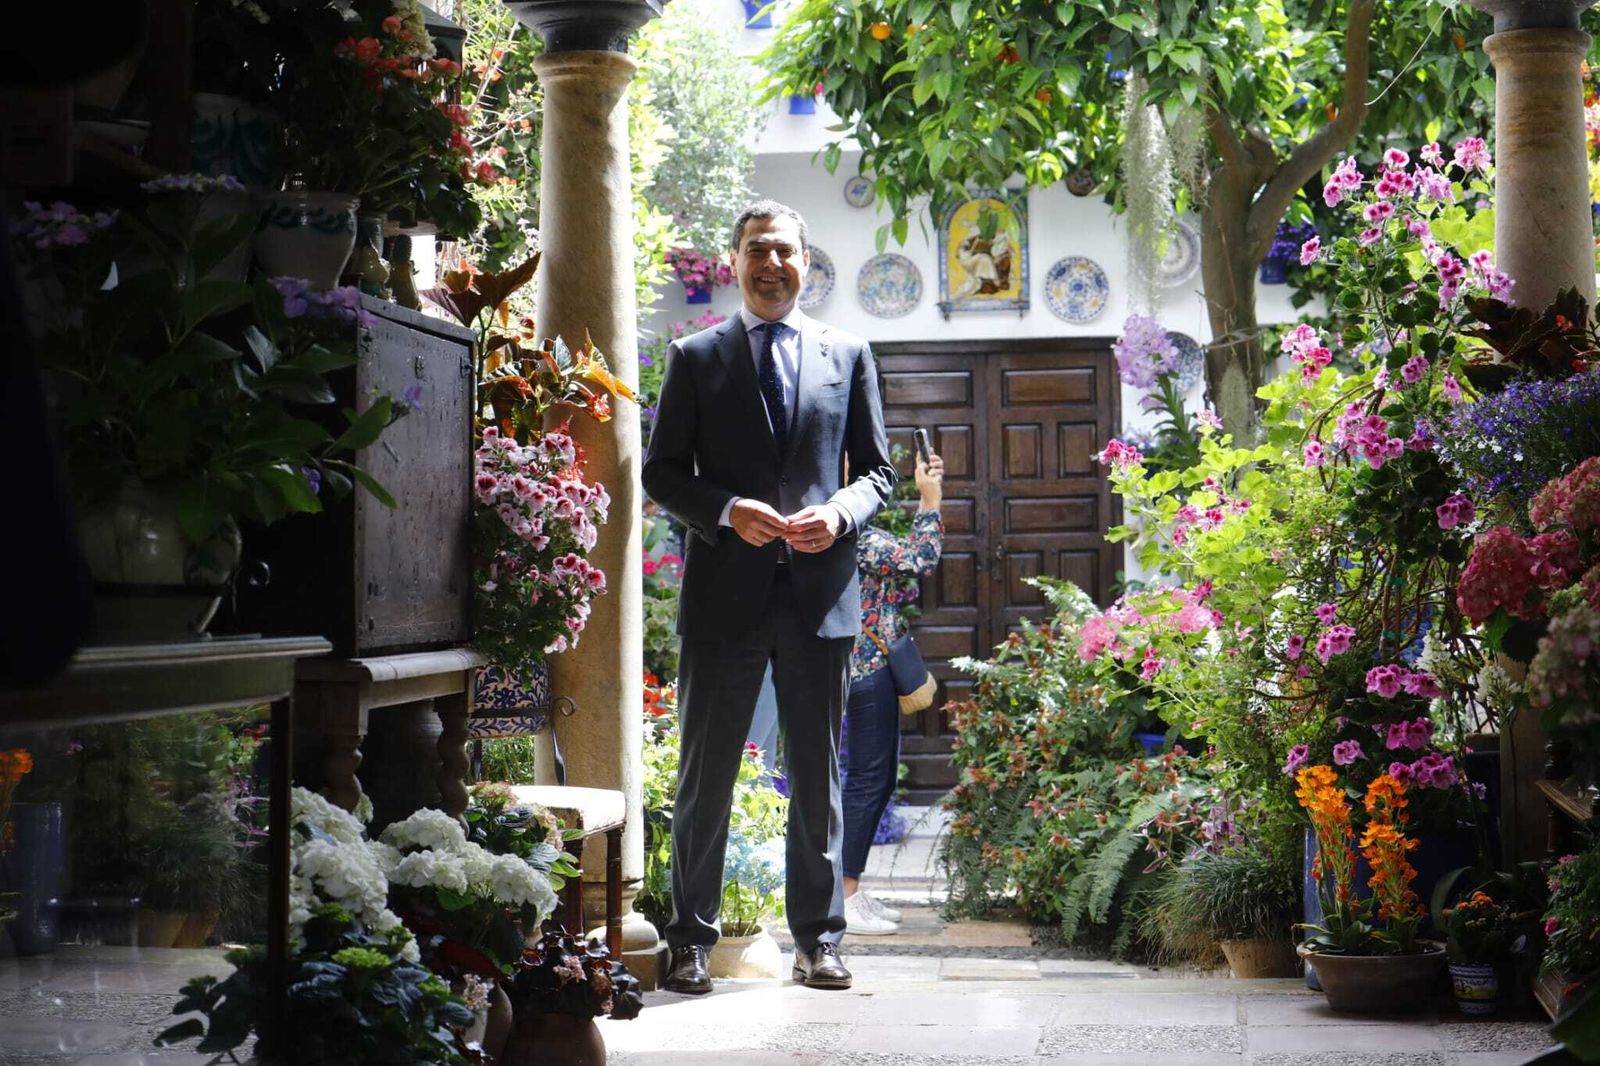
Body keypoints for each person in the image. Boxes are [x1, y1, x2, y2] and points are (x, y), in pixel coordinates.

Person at [641, 200, 896, 994]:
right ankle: (689, 942)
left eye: (785, 250)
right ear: (735, 258)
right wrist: (724, 510)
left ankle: (819, 941)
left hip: (819, 596)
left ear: (806, 259)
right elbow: (661, 474)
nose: (772, 264)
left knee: (818, 778)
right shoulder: (695, 356)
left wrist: (841, 510)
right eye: (757, 249)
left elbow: (878, 473)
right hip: (725, 595)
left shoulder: (848, 353)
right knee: (705, 774)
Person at [841, 451, 943, 935]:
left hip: (866, 668)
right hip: (867, 671)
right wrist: (930, 499)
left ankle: (851, 888)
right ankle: (843, 894)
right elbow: (922, 559)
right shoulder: (857, 536)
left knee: (874, 780)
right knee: (867, 780)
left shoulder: (845, 531)